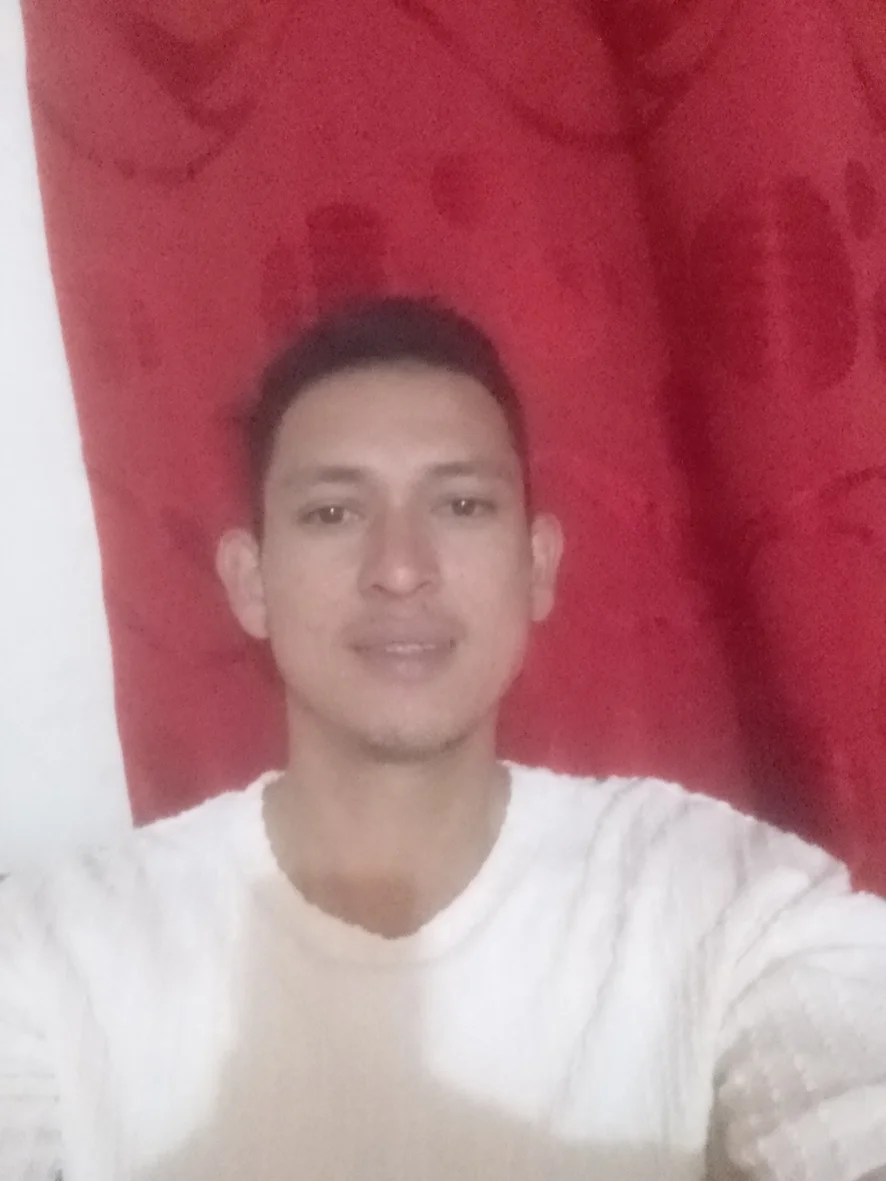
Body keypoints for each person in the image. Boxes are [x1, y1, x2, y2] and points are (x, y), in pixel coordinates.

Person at [1, 296, 885, 1181]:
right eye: (332, 513)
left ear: (537, 566)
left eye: (461, 504)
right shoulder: (50, 952)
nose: (399, 568)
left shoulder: (718, 901)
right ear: (250, 581)